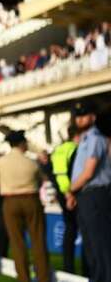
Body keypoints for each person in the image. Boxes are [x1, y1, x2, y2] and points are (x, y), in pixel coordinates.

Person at [0, 131, 51, 282]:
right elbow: (42, 180)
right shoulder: (31, 162)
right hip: (31, 200)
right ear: (22, 144)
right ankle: (43, 277)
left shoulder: (0, 162)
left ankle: (23, 277)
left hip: (10, 201)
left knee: (17, 242)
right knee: (38, 241)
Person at [66, 100, 111, 281]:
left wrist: (70, 190)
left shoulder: (95, 138)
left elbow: (88, 172)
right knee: (90, 244)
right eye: (78, 116)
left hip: (96, 194)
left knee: (100, 243)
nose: (79, 120)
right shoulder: (85, 140)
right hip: (85, 195)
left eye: (83, 116)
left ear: (93, 117)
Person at [46, 125, 81, 274]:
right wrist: (69, 194)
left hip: (64, 192)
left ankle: (69, 267)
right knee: (75, 229)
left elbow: (54, 172)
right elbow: (64, 174)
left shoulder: (59, 149)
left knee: (70, 229)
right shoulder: (74, 148)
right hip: (71, 193)